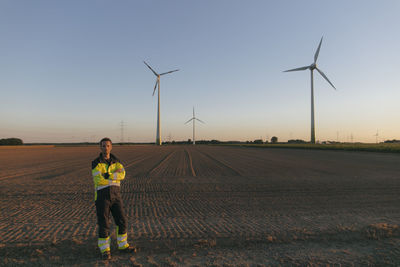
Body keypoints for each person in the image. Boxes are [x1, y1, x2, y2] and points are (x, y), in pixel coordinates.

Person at [91, 137, 135, 260]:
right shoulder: (96, 163)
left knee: (122, 220)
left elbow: (123, 174)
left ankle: (123, 245)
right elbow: (98, 179)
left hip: (116, 196)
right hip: (102, 197)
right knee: (104, 223)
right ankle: (105, 250)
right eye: (103, 146)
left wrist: (109, 175)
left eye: (108, 145)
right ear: (100, 147)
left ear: (111, 147)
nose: (106, 148)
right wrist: (115, 177)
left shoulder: (117, 161)